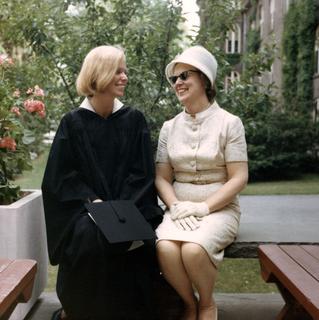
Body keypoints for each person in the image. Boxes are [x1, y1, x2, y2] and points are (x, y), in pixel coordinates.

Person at [42, 45, 163, 320]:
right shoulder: (72, 123)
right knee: (88, 236)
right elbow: (60, 178)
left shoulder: (133, 120)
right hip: (85, 207)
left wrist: (119, 209)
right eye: (118, 71)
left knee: (126, 235)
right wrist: (92, 202)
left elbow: (142, 173)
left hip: (131, 204)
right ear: (100, 74)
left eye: (125, 71)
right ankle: (78, 311)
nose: (125, 77)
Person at [155, 45, 248, 320]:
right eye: (175, 79)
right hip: (179, 208)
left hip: (219, 209)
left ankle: (207, 303)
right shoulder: (169, 127)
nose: (178, 83)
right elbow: (161, 177)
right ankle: (189, 303)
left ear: (205, 80)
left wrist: (204, 208)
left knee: (194, 250)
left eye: (185, 75)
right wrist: (175, 205)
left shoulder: (230, 123)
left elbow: (240, 177)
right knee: (165, 248)